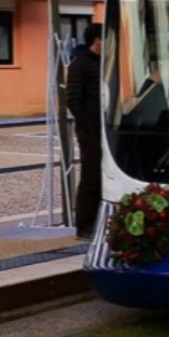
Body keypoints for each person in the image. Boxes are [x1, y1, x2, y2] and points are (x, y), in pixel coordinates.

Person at [67, 23, 102, 241]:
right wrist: (89, 122)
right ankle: (85, 225)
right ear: (97, 40)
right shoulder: (80, 65)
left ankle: (99, 220)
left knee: (102, 176)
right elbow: (73, 99)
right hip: (90, 130)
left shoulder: (104, 63)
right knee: (90, 175)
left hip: (104, 128)